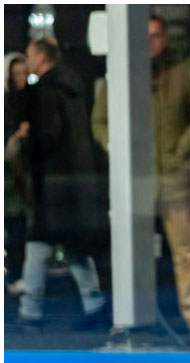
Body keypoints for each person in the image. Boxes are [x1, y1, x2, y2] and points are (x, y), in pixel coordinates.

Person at [92, 15, 190, 340]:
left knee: (185, 250)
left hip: (174, 176)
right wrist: (115, 148)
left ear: (165, 38)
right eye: (145, 35)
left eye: (156, 36)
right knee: (131, 250)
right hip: (135, 177)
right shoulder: (120, 76)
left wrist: (181, 149)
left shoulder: (183, 75)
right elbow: (100, 121)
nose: (150, 42)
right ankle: (130, 314)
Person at [17, 38, 108, 331]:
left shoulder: (43, 93)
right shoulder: (73, 90)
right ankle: (94, 304)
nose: (27, 62)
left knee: (37, 246)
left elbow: (45, 138)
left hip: (50, 184)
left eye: (30, 55)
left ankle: (30, 311)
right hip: (74, 182)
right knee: (74, 247)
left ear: (42, 57)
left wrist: (25, 140)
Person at [5, 52, 30, 296]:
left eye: (24, 73)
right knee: (15, 226)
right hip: (10, 178)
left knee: (22, 227)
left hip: (25, 175)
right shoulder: (7, 103)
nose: (21, 78)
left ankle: (22, 274)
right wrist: (15, 137)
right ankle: (16, 274)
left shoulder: (33, 99)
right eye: (16, 74)